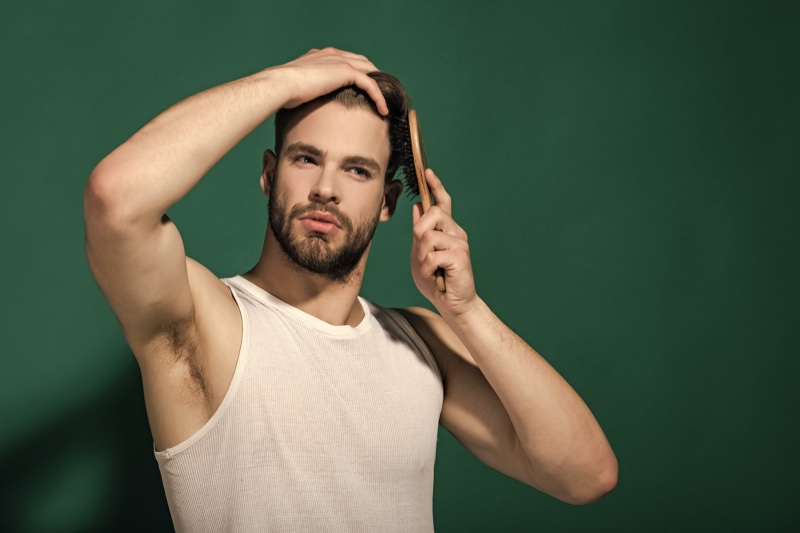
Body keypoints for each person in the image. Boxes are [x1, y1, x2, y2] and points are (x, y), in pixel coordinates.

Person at [84, 47, 617, 532]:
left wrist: (466, 310)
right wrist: (285, 80)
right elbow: (116, 199)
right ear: (269, 174)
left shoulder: (422, 340)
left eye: (356, 170)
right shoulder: (205, 322)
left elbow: (585, 475)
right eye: (306, 158)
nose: (325, 188)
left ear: (389, 202)